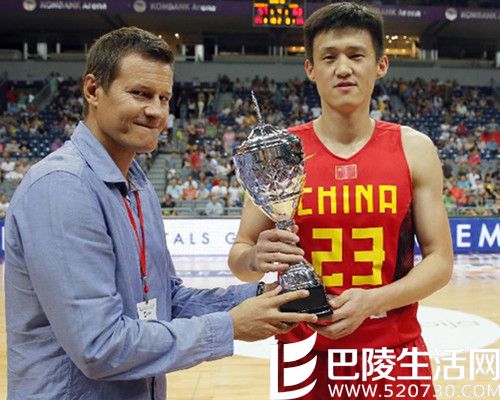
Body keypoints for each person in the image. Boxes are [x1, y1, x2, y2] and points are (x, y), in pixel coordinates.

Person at [4, 27, 319, 400]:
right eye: (139, 94)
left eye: (164, 97)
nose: (156, 111)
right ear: (92, 90)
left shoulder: (137, 184)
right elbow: (100, 346)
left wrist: (261, 296)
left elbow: (166, 300)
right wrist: (230, 326)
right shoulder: (62, 188)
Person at [228, 3, 453, 399]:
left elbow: (440, 262)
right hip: (302, 356)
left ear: (381, 65)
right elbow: (240, 258)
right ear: (311, 69)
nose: (343, 68)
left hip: (394, 353)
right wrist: (254, 259)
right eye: (329, 57)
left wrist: (373, 301)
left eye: (356, 55)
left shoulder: (414, 149)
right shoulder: (280, 153)